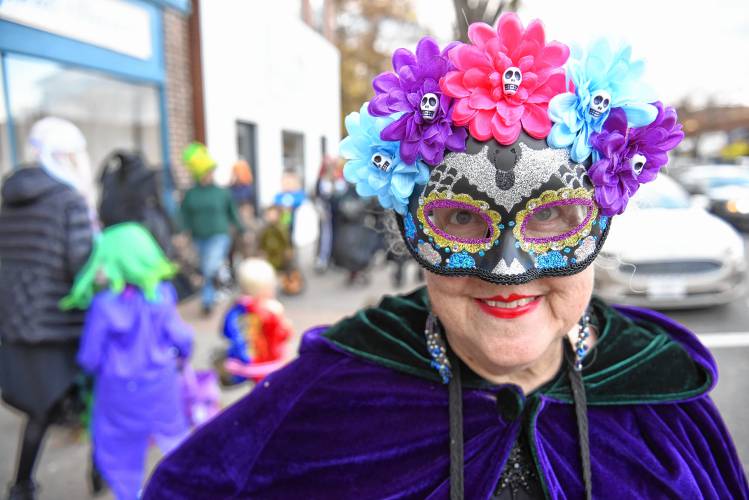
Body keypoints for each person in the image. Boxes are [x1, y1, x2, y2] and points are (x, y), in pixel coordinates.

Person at [144, 15, 748, 499]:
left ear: (603, 220)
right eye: (461, 219)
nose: (508, 269)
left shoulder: (663, 394)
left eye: (549, 217)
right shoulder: (330, 394)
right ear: (407, 229)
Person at [60, 223, 193, 500]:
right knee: (175, 443)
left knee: (120, 452)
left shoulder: (104, 304)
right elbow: (182, 337)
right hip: (161, 385)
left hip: (118, 391)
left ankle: (129, 493)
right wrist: (181, 357)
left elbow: (89, 356)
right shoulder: (163, 294)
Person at [0, 117, 94, 500]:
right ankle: (100, 475)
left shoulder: (9, 198)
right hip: (57, 320)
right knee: (78, 396)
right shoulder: (68, 200)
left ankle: (22, 484)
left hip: (16, 316)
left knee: (37, 405)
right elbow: (81, 265)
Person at [179, 142, 244, 315]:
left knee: (209, 267)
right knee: (206, 267)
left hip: (219, 235)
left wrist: (242, 229)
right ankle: (212, 294)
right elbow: (184, 216)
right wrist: (182, 233)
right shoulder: (191, 195)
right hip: (199, 237)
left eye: (210, 172)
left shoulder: (222, 193)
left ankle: (208, 299)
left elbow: (232, 213)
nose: (208, 176)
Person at [219, 258, 292, 384]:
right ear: (266, 288)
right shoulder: (271, 311)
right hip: (268, 365)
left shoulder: (236, 308)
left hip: (244, 364)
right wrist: (286, 324)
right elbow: (282, 336)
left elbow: (226, 331)